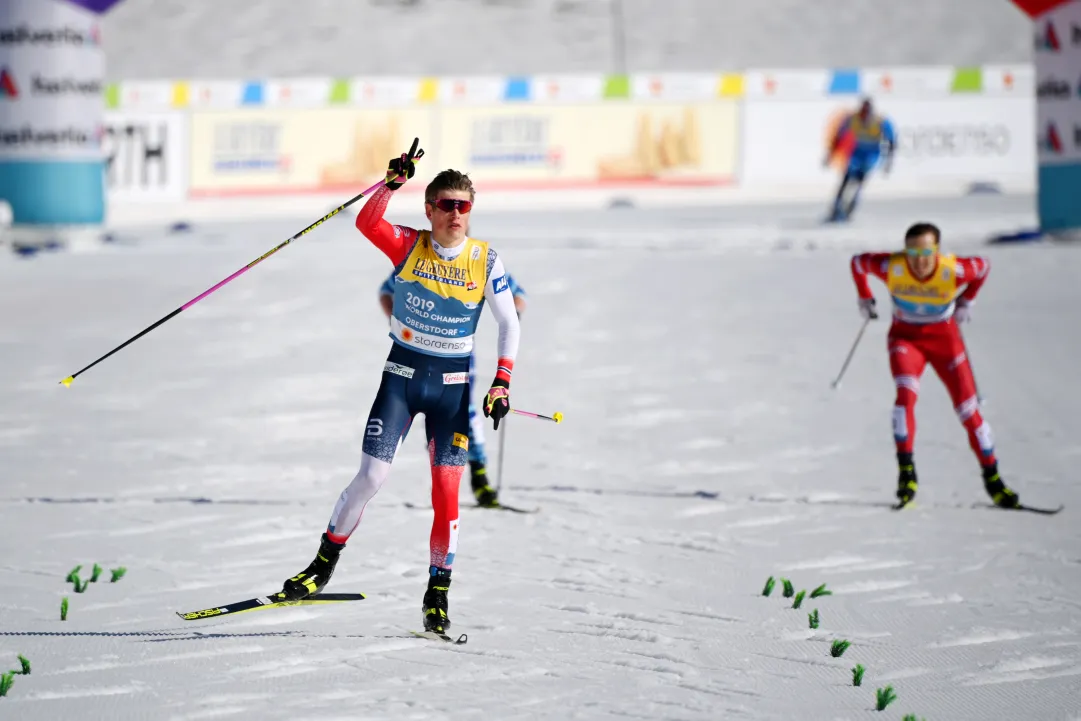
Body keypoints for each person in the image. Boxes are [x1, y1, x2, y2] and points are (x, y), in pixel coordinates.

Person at [278, 144, 521, 637]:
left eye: (464, 205)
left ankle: (437, 594)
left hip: (451, 391)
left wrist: (501, 381)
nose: (457, 213)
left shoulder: (485, 260)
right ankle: (321, 566)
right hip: (402, 380)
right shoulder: (409, 245)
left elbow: (508, 322)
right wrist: (388, 185)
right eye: (447, 204)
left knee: (447, 497)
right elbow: (367, 224)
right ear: (429, 208)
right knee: (370, 477)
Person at [849, 222, 1019, 509]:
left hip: (945, 342)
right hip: (906, 340)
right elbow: (858, 263)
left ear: (937, 250)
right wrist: (864, 296)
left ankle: (993, 479)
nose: (918, 258)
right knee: (905, 397)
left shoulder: (954, 270)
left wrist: (967, 301)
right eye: (912, 251)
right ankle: (907, 474)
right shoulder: (892, 266)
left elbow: (984, 267)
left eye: (925, 251)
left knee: (968, 411)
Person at [378, 263, 527, 508]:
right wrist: (397, 317)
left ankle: (479, 475)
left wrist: (512, 317)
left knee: (463, 412)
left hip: (460, 359)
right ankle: (443, 480)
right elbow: (386, 291)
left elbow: (518, 295)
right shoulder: (419, 260)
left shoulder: (478, 261)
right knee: (433, 414)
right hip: (418, 357)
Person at [824, 98, 896, 222]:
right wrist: (830, 155)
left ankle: (850, 209)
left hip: (870, 156)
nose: (864, 116)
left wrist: (888, 162)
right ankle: (836, 208)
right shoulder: (852, 119)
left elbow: (892, 142)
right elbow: (838, 137)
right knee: (845, 180)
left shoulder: (880, 121)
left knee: (860, 182)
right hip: (856, 154)